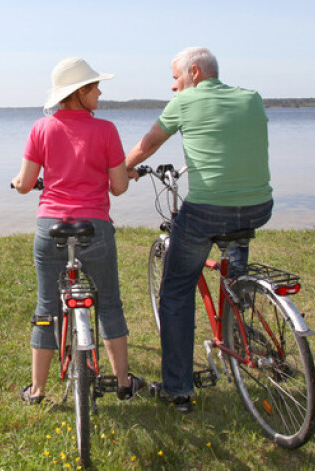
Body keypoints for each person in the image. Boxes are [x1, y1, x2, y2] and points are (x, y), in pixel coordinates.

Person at [125, 47, 273, 413]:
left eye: (175, 78)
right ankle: (243, 324)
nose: (174, 87)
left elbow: (147, 146)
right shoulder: (252, 98)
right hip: (258, 207)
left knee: (175, 292)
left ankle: (177, 388)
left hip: (207, 211)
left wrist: (122, 168)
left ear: (194, 72)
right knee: (234, 274)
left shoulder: (185, 103)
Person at [12, 56, 145, 405]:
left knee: (46, 308)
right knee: (110, 305)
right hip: (95, 228)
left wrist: (17, 182)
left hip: (50, 228)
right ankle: (122, 383)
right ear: (80, 92)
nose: (100, 92)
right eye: (95, 86)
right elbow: (118, 187)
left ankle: (37, 391)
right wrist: (121, 176)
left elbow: (26, 184)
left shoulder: (41, 129)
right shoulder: (106, 130)